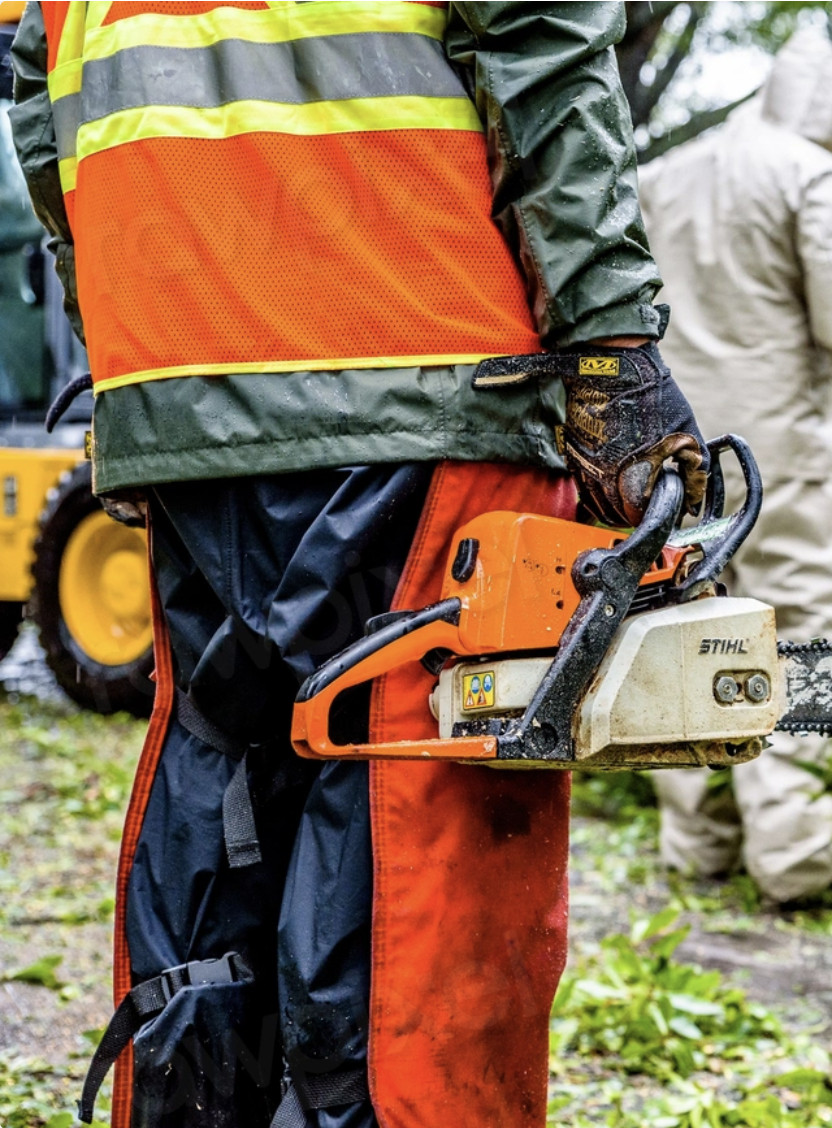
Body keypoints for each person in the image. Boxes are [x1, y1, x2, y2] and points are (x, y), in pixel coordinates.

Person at [9, 4, 707, 1126]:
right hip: (419, 348)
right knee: (411, 825)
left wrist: (121, 364)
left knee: (225, 789)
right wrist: (610, 344)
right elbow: (537, 35)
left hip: (182, 368)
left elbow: (42, 93)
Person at [639, 29, 832, 904]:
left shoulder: (671, 172)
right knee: (802, 635)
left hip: (672, 457)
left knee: (681, 632)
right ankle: (799, 856)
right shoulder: (810, 174)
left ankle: (698, 849)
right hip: (776, 456)